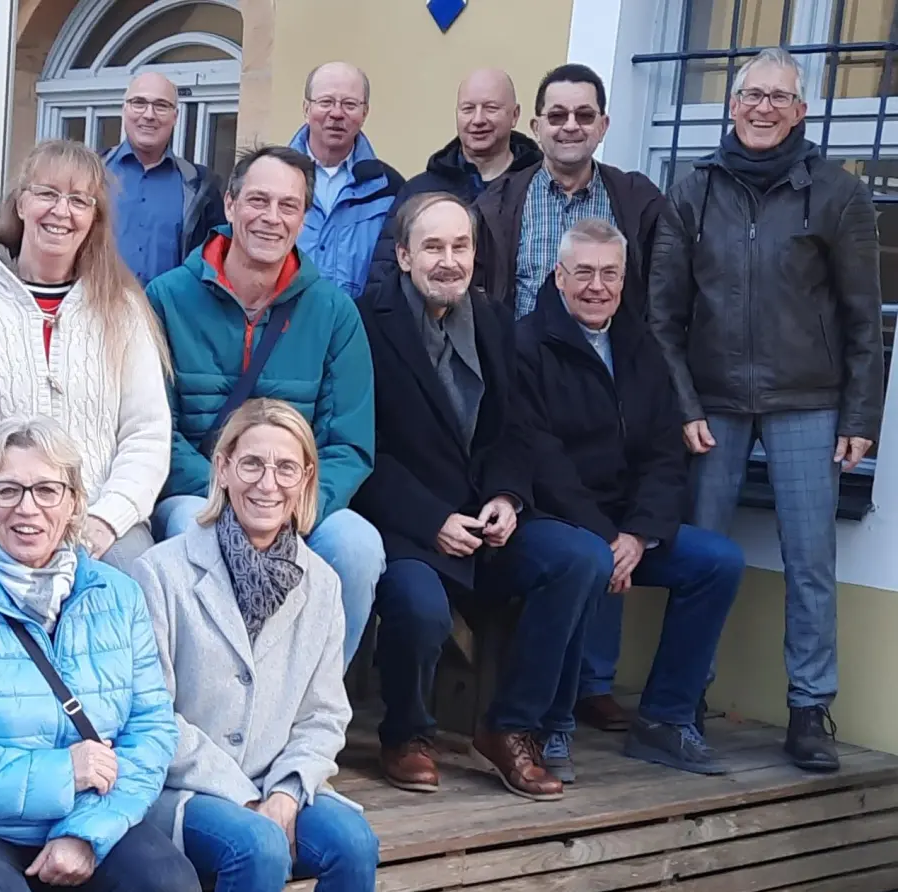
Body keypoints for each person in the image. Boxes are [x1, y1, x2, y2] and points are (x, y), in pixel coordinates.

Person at [648, 48, 884, 773]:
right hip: (712, 405)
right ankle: (685, 698)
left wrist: (858, 418)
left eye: (778, 97)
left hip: (807, 402)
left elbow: (863, 320)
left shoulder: (838, 194)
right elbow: (662, 315)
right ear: (731, 104)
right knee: (703, 556)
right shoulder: (693, 192)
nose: (762, 107)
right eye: (751, 94)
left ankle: (810, 709)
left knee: (810, 560)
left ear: (801, 111)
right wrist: (682, 402)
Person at [354, 191, 611, 800]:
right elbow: (362, 447)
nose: (449, 260)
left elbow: (514, 428)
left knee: (584, 559)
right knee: (418, 604)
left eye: (461, 246)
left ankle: (511, 726)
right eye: (433, 247)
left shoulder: (494, 319)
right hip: (409, 525)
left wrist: (506, 496)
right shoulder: (365, 322)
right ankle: (407, 733)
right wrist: (432, 517)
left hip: (487, 523)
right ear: (404, 255)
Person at [0, 415, 201, 892]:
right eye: (7, 490)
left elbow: (152, 730)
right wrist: (63, 772)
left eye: (47, 490)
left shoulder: (119, 595)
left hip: (86, 813)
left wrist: (87, 830)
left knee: (169, 886)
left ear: (73, 501)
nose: (27, 508)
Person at [517, 218, 743, 776]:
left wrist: (640, 535)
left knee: (718, 562)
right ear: (559, 275)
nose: (598, 286)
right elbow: (542, 461)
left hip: (628, 528)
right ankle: (550, 726)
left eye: (610, 274)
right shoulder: (526, 343)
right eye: (585, 273)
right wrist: (605, 536)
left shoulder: (640, 345)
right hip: (552, 521)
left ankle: (665, 720)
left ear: (624, 279)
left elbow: (667, 454)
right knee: (584, 560)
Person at [133, 399, 380, 892]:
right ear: (222, 468)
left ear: (306, 479)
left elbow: (324, 715)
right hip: (185, 786)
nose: (268, 484)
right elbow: (150, 716)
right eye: (251, 463)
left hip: (277, 780)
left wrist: (287, 794)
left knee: (356, 843)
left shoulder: (324, 584)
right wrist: (248, 800)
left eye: (286, 468)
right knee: (260, 847)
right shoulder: (160, 572)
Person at [148, 145, 382, 665]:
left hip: (297, 498)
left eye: (288, 206)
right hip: (199, 493)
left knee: (358, 548)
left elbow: (349, 441)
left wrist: (291, 503)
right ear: (230, 205)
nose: (271, 218)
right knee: (195, 533)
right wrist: (230, 495)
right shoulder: (166, 298)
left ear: (304, 217)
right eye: (258, 200)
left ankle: (308, 713)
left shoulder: (335, 312)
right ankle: (200, 711)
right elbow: (153, 428)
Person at [0, 140, 171, 572]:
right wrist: (3, 502)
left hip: (98, 517)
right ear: (22, 202)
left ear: (93, 218)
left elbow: (147, 432)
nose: (61, 211)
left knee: (132, 579)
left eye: (78, 200)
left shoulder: (122, 308)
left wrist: (108, 516)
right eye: (47, 193)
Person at [473, 64, 666, 321]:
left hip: (609, 358)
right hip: (521, 358)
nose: (571, 126)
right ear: (536, 127)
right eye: (557, 116)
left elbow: (664, 297)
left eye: (584, 115)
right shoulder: (495, 204)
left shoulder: (638, 201)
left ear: (603, 126)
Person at [366, 68, 541, 296]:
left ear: (515, 115)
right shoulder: (420, 191)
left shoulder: (537, 187)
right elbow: (384, 275)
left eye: (491, 108)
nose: (478, 120)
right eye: (468, 109)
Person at [288, 62, 404, 298]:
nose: (337, 113)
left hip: (360, 329)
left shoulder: (388, 188)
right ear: (306, 108)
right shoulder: (273, 178)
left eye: (349, 104)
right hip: (281, 329)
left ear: (365, 113)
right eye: (326, 102)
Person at [102, 72, 227, 285]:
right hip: (96, 311)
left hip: (168, 314)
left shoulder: (200, 186)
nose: (149, 114)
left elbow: (216, 260)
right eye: (139, 103)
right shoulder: (90, 172)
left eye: (161, 105)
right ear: (124, 109)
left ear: (175, 116)